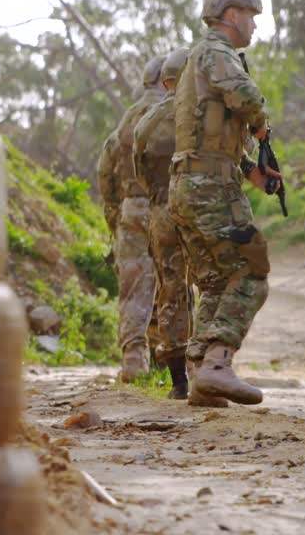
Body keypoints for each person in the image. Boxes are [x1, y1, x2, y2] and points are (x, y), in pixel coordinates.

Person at [168, 0, 277, 406]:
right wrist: (261, 123)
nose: (253, 26)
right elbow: (245, 96)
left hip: (188, 184)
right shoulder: (217, 52)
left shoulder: (197, 59)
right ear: (231, 15)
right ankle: (217, 365)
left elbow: (207, 130)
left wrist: (253, 170)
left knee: (215, 282)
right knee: (251, 274)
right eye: (250, 17)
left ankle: (201, 374)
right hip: (210, 187)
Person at [96, 56, 166, 382]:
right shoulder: (173, 114)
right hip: (165, 208)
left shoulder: (126, 120)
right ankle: (173, 362)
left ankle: (134, 358)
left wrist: (115, 213)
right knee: (173, 285)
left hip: (130, 208)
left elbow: (104, 170)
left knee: (134, 285)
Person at [132, 46, 194, 400]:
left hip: (161, 211)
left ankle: (178, 380)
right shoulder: (197, 117)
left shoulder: (146, 123)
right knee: (206, 284)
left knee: (171, 289)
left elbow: (140, 174)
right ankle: (208, 365)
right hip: (195, 209)